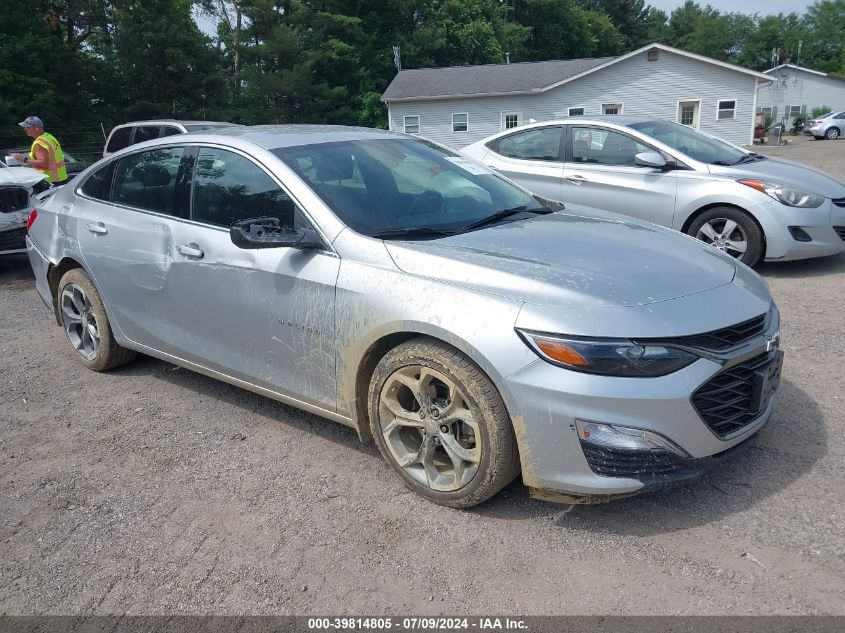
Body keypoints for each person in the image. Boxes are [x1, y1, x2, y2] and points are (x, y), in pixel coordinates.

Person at [11, 116, 68, 185]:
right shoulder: (49, 137)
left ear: (36, 128)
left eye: (28, 127)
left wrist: (24, 159)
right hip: (60, 178)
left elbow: (43, 164)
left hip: (50, 181)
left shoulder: (40, 143)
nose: (25, 129)